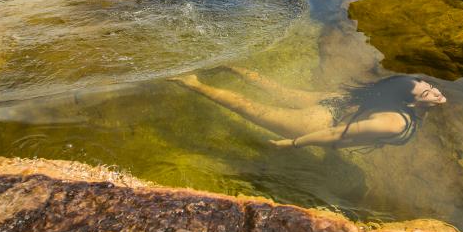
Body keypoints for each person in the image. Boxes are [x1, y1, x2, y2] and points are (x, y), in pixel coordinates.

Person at [170, 67, 446, 149]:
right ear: (409, 103)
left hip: (337, 102)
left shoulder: (389, 100)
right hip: (318, 122)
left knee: (276, 90)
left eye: (432, 89)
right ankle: (193, 83)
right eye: (428, 92)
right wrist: (293, 143)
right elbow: (336, 135)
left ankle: (229, 65)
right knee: (248, 107)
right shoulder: (394, 123)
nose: (436, 93)